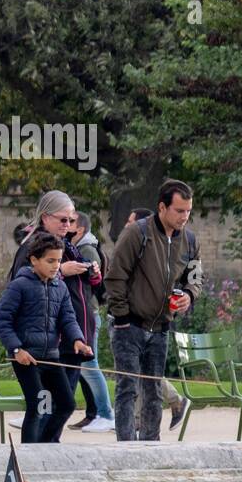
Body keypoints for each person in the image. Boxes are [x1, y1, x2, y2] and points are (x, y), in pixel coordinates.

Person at [105, 182, 202, 442]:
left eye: (188, 211)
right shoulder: (137, 234)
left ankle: (151, 447)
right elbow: (115, 277)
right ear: (162, 207)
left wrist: (189, 295)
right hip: (129, 326)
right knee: (127, 389)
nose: (185, 217)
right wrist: (123, 318)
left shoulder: (190, 240)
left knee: (153, 391)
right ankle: (126, 448)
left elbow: (195, 278)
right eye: (179, 211)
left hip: (160, 329)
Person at [5, 191, 100, 432]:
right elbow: (22, 286)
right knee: (45, 407)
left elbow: (73, 304)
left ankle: (48, 449)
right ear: (45, 218)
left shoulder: (67, 244)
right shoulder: (34, 247)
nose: (68, 225)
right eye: (63, 220)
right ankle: (35, 453)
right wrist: (62, 272)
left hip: (71, 340)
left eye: (71, 220)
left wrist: (95, 275)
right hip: (46, 344)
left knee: (63, 405)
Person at [0, 232, 93, 443]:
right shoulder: (19, 285)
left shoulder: (60, 287)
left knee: (67, 404)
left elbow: (68, 318)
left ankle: (45, 444)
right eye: (50, 261)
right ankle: (29, 453)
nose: (56, 266)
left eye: (59, 261)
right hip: (26, 358)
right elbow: (3, 322)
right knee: (39, 405)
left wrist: (78, 339)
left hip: (51, 356)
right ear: (34, 260)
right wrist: (16, 349)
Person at [123, 207, 189, 431]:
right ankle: (166, 406)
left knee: (142, 374)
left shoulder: (155, 245)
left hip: (151, 320)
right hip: (137, 319)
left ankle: (171, 403)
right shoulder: (134, 244)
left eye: (131, 222)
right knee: (140, 374)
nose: (126, 226)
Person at [66, 212, 115, 432]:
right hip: (86, 313)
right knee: (84, 366)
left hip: (88, 314)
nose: (67, 226)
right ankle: (94, 413)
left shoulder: (86, 250)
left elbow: (92, 284)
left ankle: (105, 413)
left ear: (81, 229)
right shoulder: (77, 248)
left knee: (89, 365)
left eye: (71, 222)